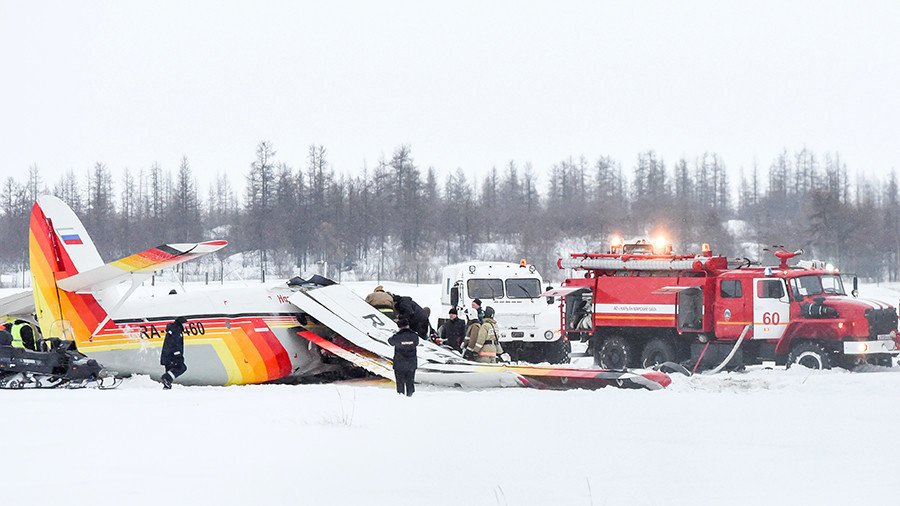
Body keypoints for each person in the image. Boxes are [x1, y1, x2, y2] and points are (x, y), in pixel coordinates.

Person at [387, 318, 419, 396]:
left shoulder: (397, 336)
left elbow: (390, 341)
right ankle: (410, 397)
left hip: (399, 363)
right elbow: (416, 343)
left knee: (400, 383)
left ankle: (401, 397)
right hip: (411, 363)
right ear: (408, 326)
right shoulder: (414, 336)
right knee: (410, 382)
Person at [160, 316, 188, 389]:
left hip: (167, 355)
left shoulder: (173, 329)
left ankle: (167, 386)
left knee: (169, 369)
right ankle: (166, 378)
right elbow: (175, 343)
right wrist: (178, 354)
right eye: (185, 324)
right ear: (181, 323)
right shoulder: (176, 330)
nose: (185, 326)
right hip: (172, 355)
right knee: (181, 367)